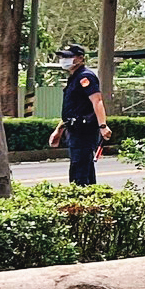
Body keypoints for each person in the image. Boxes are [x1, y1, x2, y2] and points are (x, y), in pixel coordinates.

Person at [47, 44, 111, 185]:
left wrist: (103, 126)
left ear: (80, 58)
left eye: (69, 57)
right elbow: (72, 110)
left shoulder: (85, 77)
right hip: (74, 130)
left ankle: (80, 201)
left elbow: (97, 100)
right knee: (84, 168)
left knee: (79, 170)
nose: (64, 60)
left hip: (84, 130)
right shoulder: (74, 78)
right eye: (63, 57)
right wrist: (59, 130)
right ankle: (90, 200)